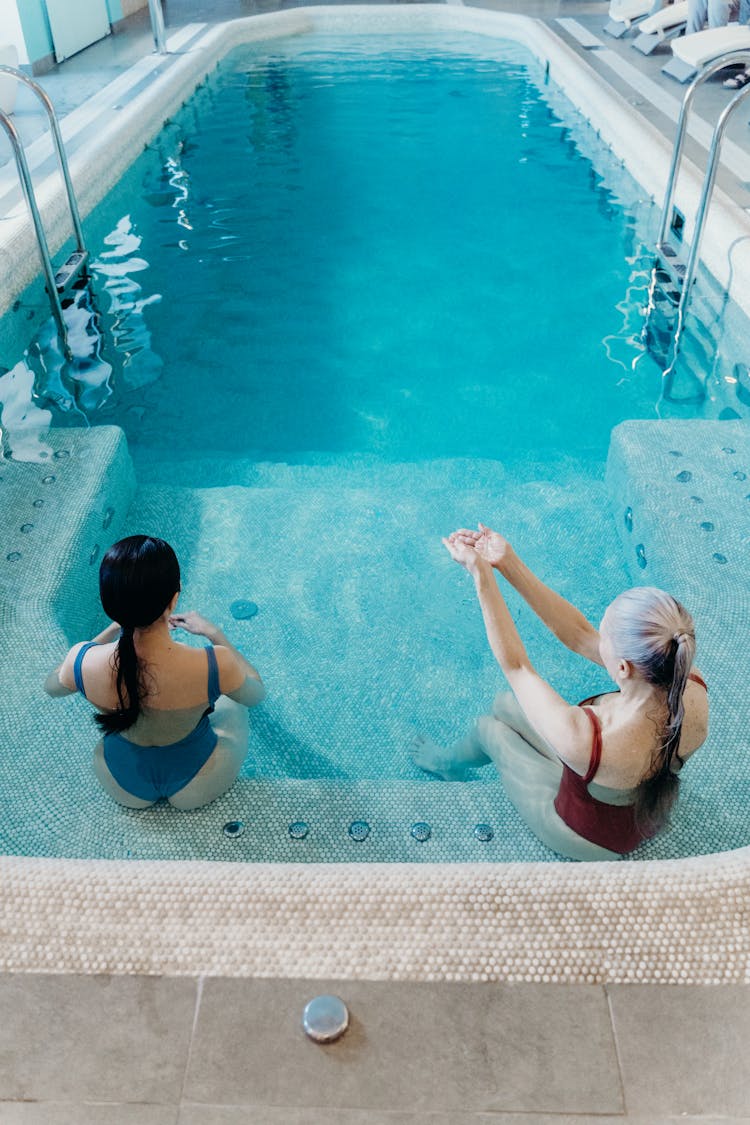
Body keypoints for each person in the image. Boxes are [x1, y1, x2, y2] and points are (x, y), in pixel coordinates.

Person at [411, 524, 709, 861]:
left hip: (592, 837)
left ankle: (445, 764)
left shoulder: (586, 736)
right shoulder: (686, 680)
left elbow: (517, 667)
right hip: (633, 801)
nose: (596, 635)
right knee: (505, 705)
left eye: (605, 634)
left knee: (488, 729)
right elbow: (579, 634)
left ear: (624, 668)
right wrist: (507, 562)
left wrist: (481, 575)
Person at [45, 535, 265, 809]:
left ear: (108, 602)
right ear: (174, 599)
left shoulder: (81, 659)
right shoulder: (212, 664)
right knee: (233, 699)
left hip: (120, 780)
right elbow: (256, 694)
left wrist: (113, 629)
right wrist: (216, 635)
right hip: (197, 782)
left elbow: (51, 687)